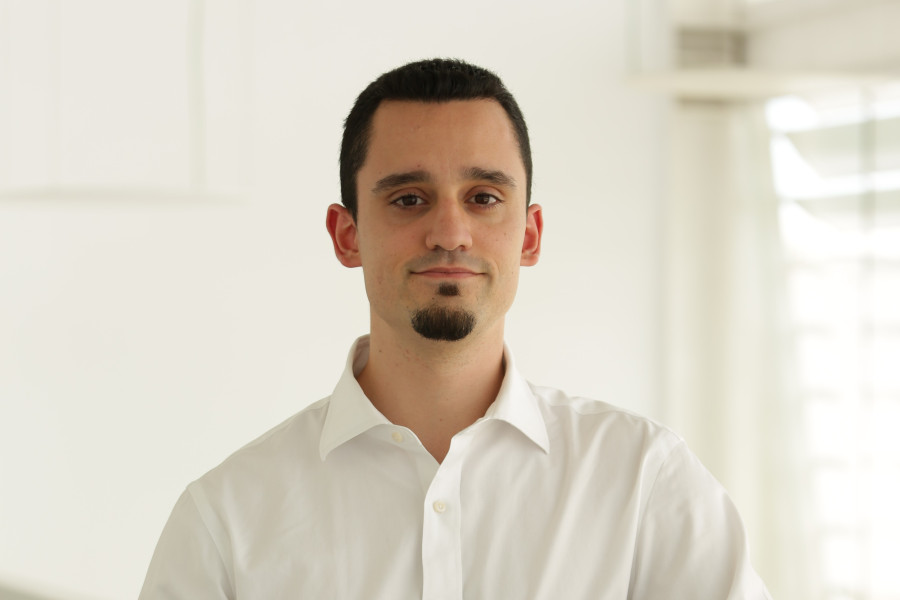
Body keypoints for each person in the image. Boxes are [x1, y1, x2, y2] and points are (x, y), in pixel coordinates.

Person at [139, 58, 771, 599]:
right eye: (408, 199)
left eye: (484, 197)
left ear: (529, 235)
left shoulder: (644, 483)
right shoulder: (227, 520)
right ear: (347, 234)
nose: (449, 232)